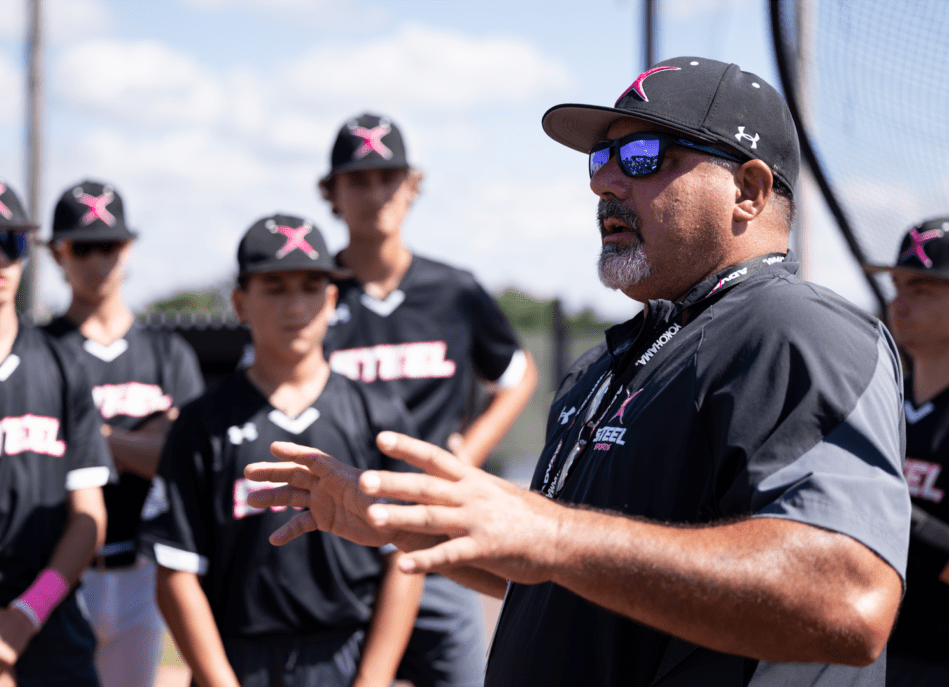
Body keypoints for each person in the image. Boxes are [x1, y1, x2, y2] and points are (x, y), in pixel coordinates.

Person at [245, 57, 911, 687]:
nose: (604, 182)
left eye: (646, 157)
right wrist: (403, 516)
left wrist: (556, 534)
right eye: (602, 158)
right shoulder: (610, 362)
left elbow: (849, 597)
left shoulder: (800, 332)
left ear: (748, 189)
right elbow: (563, 569)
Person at [140, 215, 423, 687]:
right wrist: (219, 680)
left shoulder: (380, 414)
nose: (296, 306)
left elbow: (406, 557)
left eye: (311, 287)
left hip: (347, 657)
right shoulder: (202, 422)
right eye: (274, 287)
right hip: (235, 662)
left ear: (332, 299)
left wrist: (372, 679)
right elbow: (175, 568)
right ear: (239, 303)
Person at [319, 113, 538, 687]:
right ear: (331, 193)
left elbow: (518, 374)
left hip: (436, 533)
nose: (375, 193)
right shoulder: (308, 295)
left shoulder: (454, 290)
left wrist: (465, 453)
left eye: (388, 177)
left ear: (412, 186)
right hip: (340, 535)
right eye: (358, 179)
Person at [42, 180, 204, 687]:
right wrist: (139, 439)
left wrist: (90, 439)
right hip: (60, 571)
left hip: (141, 571)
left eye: (108, 245)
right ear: (57, 252)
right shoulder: (39, 351)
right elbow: (38, 463)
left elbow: (183, 462)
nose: (97, 260)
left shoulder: (166, 352)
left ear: (128, 248)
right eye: (82, 246)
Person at [0, 173, 112, 685]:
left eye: (12, 241)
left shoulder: (61, 362)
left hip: (49, 620)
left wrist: (25, 618)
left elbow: (89, 515)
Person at [863, 219, 949, 685]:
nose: (898, 302)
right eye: (896, 285)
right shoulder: (878, 398)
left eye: (922, 288)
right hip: (869, 654)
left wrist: (892, 508)